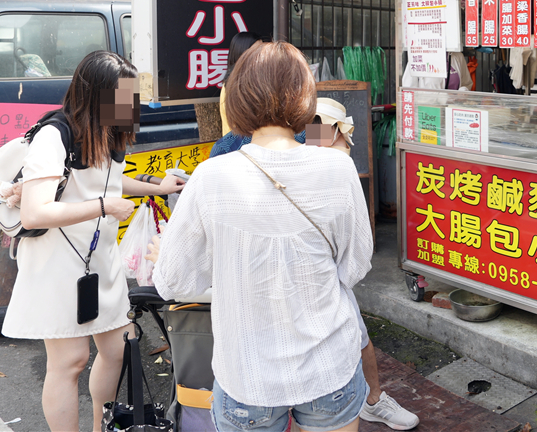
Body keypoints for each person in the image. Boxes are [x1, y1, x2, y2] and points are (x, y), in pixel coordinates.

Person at [150, 41, 374, 432]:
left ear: (237, 98)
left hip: (247, 375)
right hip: (328, 367)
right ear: (306, 96)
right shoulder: (338, 168)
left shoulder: (211, 176)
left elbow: (173, 282)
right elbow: (355, 266)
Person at [0, 50, 188, 432]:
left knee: (117, 349)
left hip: (99, 258)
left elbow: (110, 182)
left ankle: (101, 426)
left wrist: (154, 184)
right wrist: (103, 207)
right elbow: (36, 212)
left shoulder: (109, 129)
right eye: (124, 95)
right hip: (57, 261)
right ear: (96, 94)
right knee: (69, 360)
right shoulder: (55, 134)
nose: (130, 104)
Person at [306, 98, 419, 430]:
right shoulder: (330, 162)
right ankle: (367, 399)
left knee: (355, 334)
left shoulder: (322, 158)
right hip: (319, 274)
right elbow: (358, 258)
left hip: (327, 272)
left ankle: (372, 398)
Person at [219, 30, 262, 134]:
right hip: (242, 146)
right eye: (256, 52)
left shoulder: (236, 82)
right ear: (242, 54)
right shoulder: (237, 87)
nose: (262, 55)